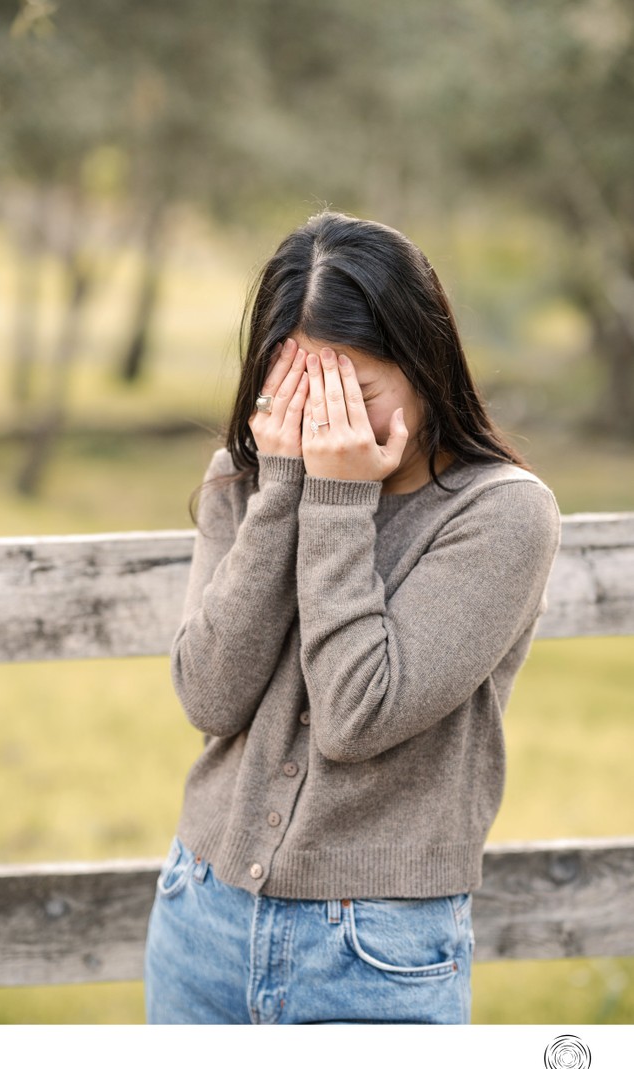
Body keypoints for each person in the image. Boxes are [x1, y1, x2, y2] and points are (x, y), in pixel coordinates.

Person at [143, 209, 561, 1025]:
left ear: (421, 361)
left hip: (373, 952)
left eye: (350, 395)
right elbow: (210, 697)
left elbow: (354, 713)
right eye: (298, 396)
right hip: (201, 914)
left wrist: (335, 498)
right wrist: (280, 496)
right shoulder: (249, 474)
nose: (320, 425)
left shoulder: (502, 515)